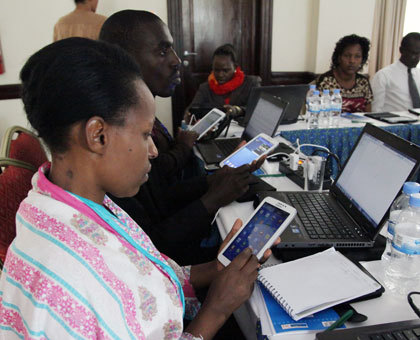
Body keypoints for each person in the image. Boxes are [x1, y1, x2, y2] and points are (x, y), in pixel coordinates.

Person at [0, 37, 276, 339]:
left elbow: (144, 274)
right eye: (145, 134)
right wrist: (217, 310)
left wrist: (214, 268)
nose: (154, 151)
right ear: (98, 136)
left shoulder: (80, 202)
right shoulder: (67, 282)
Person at [99, 10, 263, 265]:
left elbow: (159, 194)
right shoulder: (116, 136)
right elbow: (152, 245)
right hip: (167, 264)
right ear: (125, 59)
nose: (177, 61)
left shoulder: (140, 119)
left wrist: (213, 181)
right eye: (163, 51)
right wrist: (213, 198)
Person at [186, 43, 261, 120]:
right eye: (216, 70)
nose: (220, 75)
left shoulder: (251, 83)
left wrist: (237, 110)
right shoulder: (205, 88)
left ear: (235, 67)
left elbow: (258, 110)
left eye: (225, 70)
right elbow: (192, 109)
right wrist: (189, 115)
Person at [316, 34, 373, 113]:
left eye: (357, 56)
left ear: (362, 60)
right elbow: (318, 112)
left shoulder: (363, 82)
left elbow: (368, 114)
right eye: (347, 56)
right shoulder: (326, 81)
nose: (352, 61)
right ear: (339, 58)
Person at [372, 32, 420, 112]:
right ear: (401, 50)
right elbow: (375, 109)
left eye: (419, 54)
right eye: (414, 53)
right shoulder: (383, 75)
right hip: (393, 122)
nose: (417, 58)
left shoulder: (418, 74)